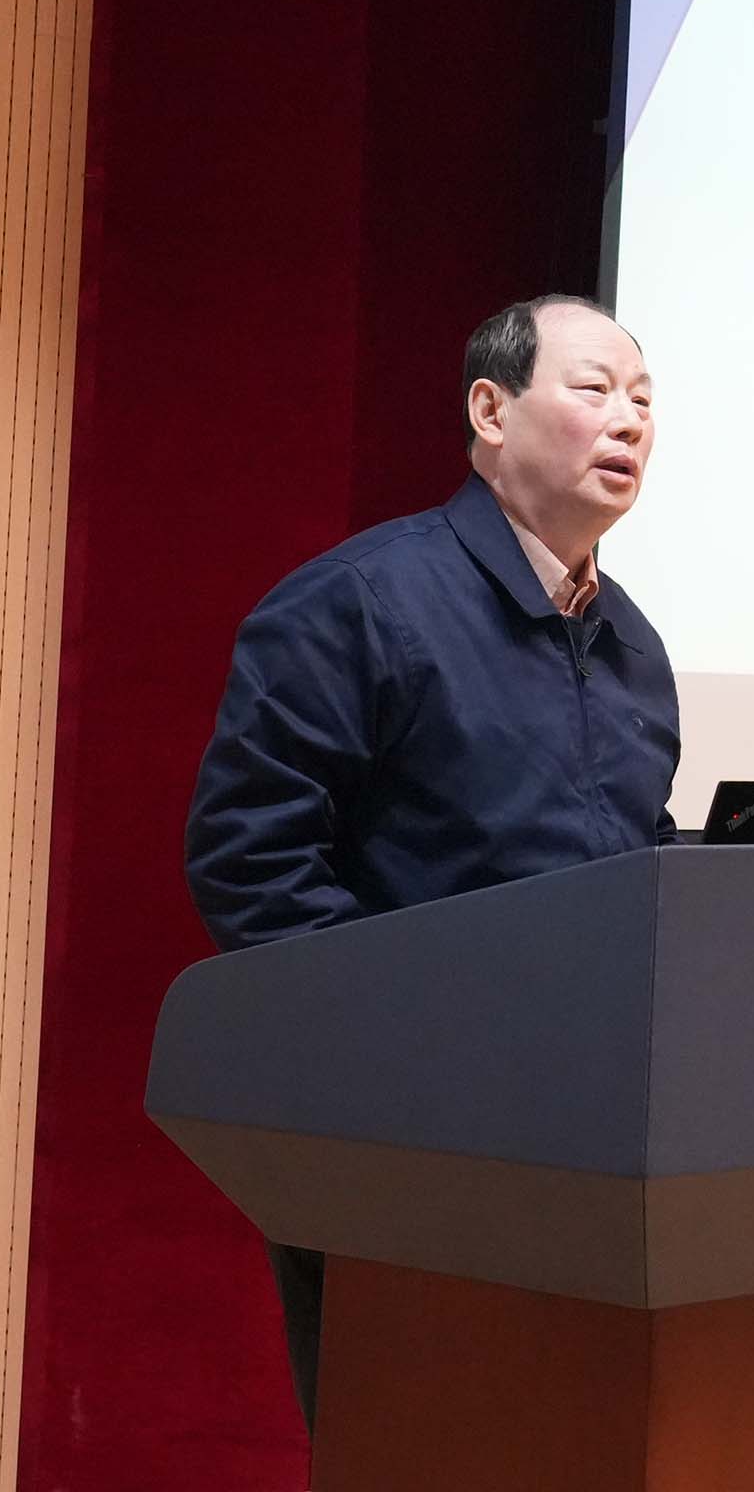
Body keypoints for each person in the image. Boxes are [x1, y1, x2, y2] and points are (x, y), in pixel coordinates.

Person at [184, 292, 679, 1434]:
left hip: (593, 1135)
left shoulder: (635, 646)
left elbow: (633, 866)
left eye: (646, 401)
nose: (629, 420)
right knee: (418, 1438)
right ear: (491, 412)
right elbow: (248, 855)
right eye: (596, 390)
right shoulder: (359, 601)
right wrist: (399, 1042)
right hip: (401, 1140)